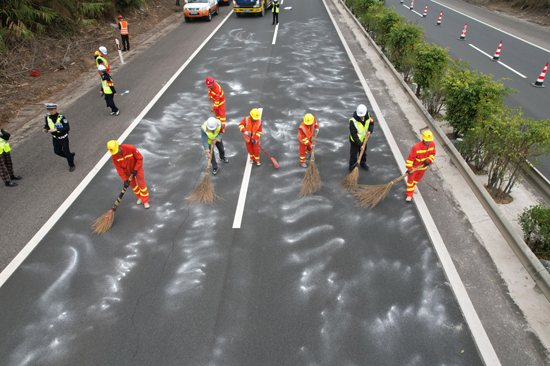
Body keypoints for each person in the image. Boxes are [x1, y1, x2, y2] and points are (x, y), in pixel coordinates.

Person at [107, 140, 150, 209]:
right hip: (127, 173)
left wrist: (136, 169)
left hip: (137, 169)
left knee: (141, 184)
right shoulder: (114, 156)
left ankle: (145, 201)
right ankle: (140, 197)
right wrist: (125, 179)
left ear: (119, 146)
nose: (116, 153)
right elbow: (119, 169)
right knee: (134, 186)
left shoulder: (130, 148)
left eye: (117, 151)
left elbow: (140, 158)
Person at [42, 103, 76, 172]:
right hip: (55, 138)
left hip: (63, 137)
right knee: (57, 151)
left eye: (52, 110)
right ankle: (70, 156)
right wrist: (45, 129)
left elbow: (67, 128)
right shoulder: (48, 117)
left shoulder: (61, 117)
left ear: (56, 109)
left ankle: (71, 165)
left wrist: (56, 129)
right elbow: (47, 125)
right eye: (49, 110)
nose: (51, 111)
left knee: (66, 151)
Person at [405, 130, 436, 202]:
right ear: (423, 139)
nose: (428, 142)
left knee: (417, 179)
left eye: (429, 141)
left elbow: (432, 154)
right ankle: (409, 195)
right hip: (414, 168)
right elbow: (410, 159)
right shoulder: (416, 147)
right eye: (427, 141)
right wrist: (409, 169)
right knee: (410, 180)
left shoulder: (432, 144)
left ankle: (412, 188)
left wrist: (429, 160)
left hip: (422, 167)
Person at [349, 104, 374, 171]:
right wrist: (360, 145)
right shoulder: (353, 121)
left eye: (362, 115)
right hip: (355, 142)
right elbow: (354, 134)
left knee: (363, 153)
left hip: (364, 140)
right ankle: (352, 167)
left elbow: (371, 123)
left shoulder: (368, 116)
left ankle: (363, 163)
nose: (361, 117)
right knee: (353, 155)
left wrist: (370, 131)